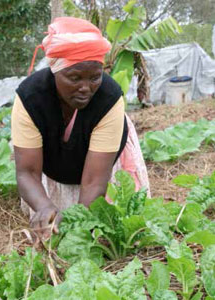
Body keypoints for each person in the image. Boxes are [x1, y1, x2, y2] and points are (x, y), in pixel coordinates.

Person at [11, 17, 150, 240]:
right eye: (74, 78)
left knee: (110, 233)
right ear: (55, 72)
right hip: (55, 162)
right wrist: (44, 206)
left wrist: (79, 231)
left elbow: (95, 181)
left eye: (95, 77)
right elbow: (27, 172)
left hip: (101, 167)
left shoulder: (109, 99)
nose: (86, 88)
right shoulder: (30, 99)